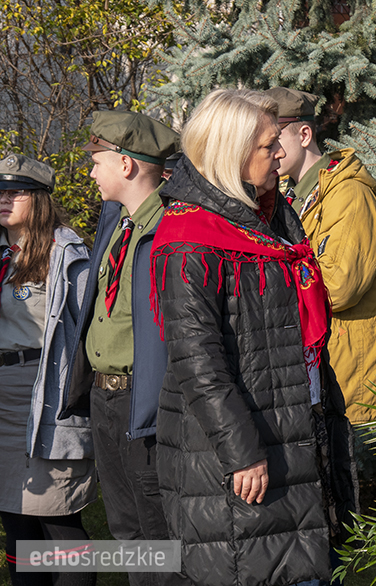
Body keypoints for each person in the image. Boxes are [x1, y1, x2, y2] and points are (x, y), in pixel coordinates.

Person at [148, 88, 353, 585]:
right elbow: (198, 361)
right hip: (241, 451)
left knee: (307, 562)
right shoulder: (190, 238)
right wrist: (241, 451)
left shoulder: (269, 215)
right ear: (232, 152)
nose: (280, 154)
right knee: (258, 568)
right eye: (268, 146)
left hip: (292, 424)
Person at [62, 111, 180, 586]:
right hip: (106, 399)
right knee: (126, 530)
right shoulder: (119, 224)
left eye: (97, 160)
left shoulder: (167, 230)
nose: (90, 172)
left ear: (127, 166)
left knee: (159, 533)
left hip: (144, 401)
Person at [263, 87, 376, 426]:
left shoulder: (349, 194)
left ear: (305, 134)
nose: (268, 151)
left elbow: (339, 288)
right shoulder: (294, 196)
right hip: (320, 374)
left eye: (275, 140)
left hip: (351, 386)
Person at [0, 154, 97, 586]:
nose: (3, 199)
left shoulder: (66, 253)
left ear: (38, 199)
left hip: (45, 396)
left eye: (14, 191)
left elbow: (85, 333)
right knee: (17, 525)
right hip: (2, 396)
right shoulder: (3, 251)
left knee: (56, 522)